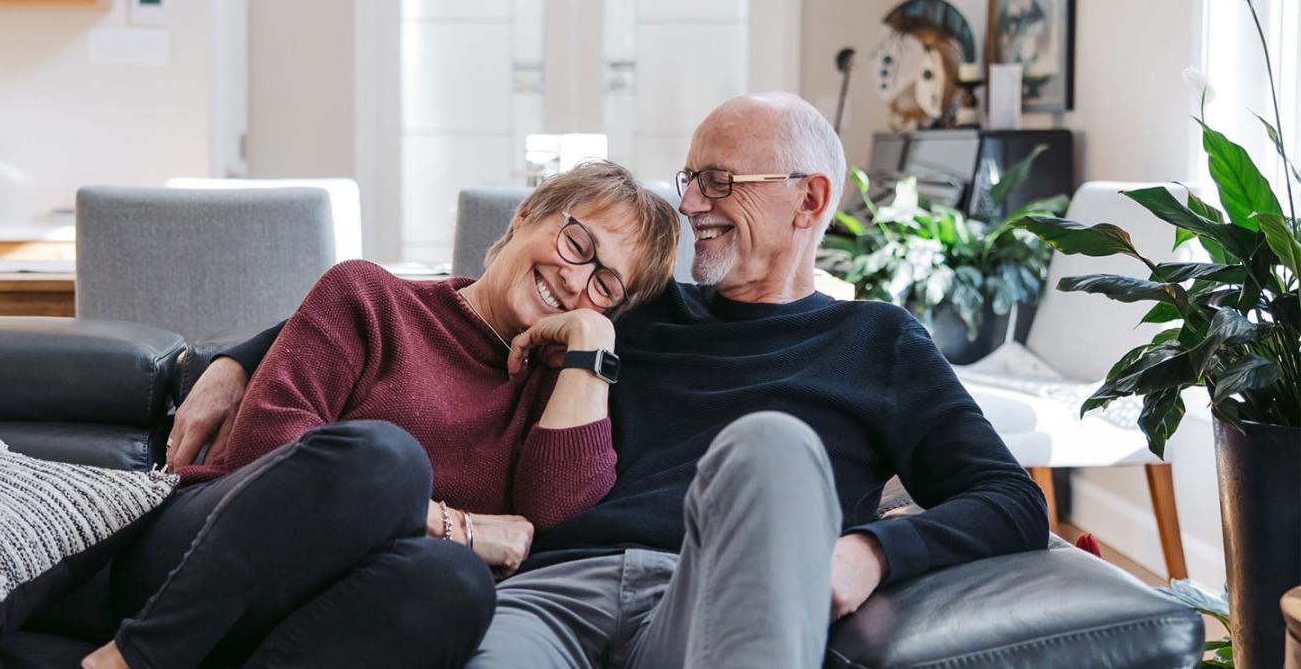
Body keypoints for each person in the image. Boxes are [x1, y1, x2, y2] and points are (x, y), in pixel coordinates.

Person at [174, 92, 1049, 668]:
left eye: (720, 182)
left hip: (711, 593)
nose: (694, 203)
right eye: (690, 178)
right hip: (548, 591)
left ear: (810, 200)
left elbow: (1011, 499)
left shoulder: (879, 342)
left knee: (773, 444)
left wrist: (873, 550)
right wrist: (233, 356)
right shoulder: (633, 305)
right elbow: (433, 308)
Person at [81, 160, 683, 669]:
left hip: (338, 611)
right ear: (526, 215)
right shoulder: (368, 296)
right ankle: (133, 660)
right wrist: (459, 528)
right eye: (577, 245)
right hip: (208, 557)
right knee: (383, 458)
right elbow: (269, 457)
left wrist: (589, 342)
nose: (575, 280)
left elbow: (553, 525)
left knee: (456, 585)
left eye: (606, 286)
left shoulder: (561, 394)